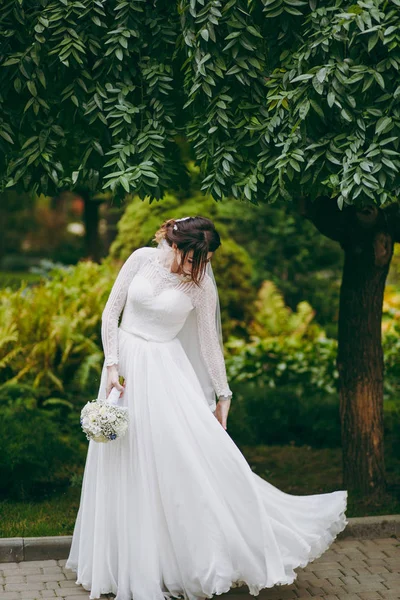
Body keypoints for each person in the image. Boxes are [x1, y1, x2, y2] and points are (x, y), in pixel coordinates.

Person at [65, 216, 348, 600]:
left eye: (206, 259)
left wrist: (223, 396)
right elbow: (110, 314)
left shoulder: (199, 286)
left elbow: (209, 345)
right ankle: (125, 562)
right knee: (124, 461)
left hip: (165, 377)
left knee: (177, 462)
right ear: (176, 245)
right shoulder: (140, 259)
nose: (200, 267)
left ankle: (196, 554)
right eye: (195, 258)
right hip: (124, 373)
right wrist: (113, 364)